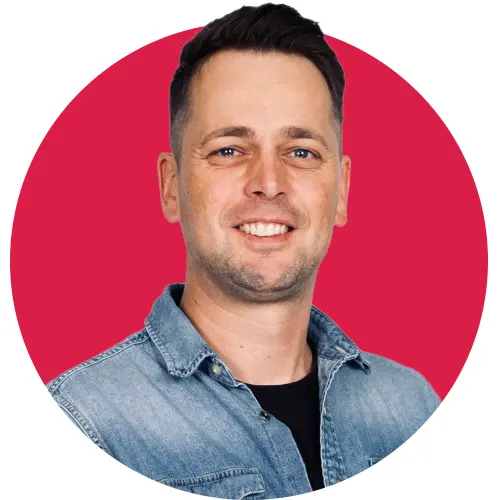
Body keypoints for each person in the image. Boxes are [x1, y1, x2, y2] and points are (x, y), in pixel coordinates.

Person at [46, 3, 440, 498]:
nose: (269, 183)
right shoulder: (82, 429)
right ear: (171, 187)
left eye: (301, 152)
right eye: (229, 150)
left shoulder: (415, 410)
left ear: (341, 192)